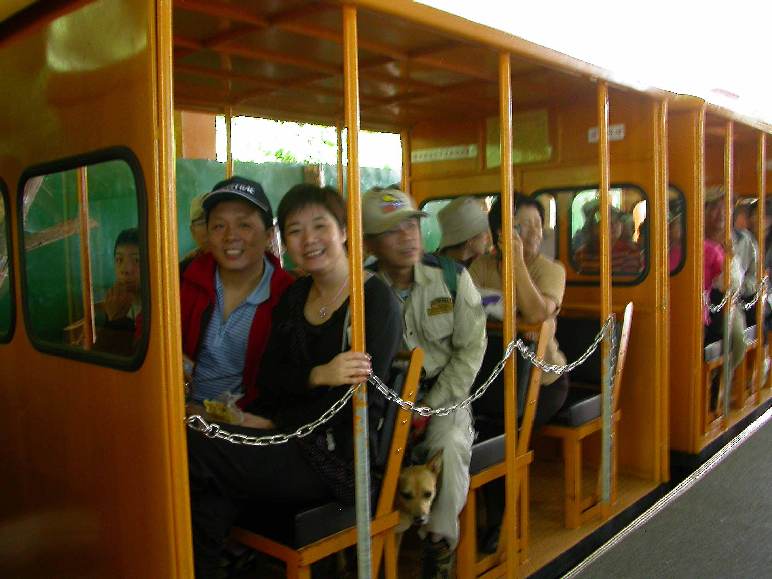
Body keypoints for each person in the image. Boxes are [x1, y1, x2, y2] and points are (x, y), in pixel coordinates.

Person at [187, 184, 402, 578]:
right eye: (295, 231)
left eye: (320, 226)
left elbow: (352, 405)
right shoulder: (295, 294)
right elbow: (270, 378)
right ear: (284, 241)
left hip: (335, 460)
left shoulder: (374, 301)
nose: (309, 240)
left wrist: (277, 423)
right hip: (285, 438)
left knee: (197, 449)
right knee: (208, 482)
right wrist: (318, 374)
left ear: (343, 231)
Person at [362, 187, 486, 578]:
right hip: (382, 399)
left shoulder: (452, 278)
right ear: (370, 243)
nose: (408, 237)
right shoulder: (360, 287)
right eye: (393, 230)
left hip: (443, 393)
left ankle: (438, 546)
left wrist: (431, 404)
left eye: (412, 226)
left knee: (448, 446)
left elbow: (471, 349)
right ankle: (358, 553)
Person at [180, 176, 294, 411]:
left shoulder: (287, 295)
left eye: (244, 225)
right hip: (177, 413)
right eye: (219, 226)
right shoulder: (186, 278)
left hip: (245, 422)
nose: (231, 236)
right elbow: (146, 331)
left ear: (269, 234)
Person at [469, 196, 569, 427]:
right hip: (490, 372)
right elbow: (466, 310)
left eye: (538, 224)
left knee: (509, 428)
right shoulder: (482, 266)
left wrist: (517, 263)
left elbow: (537, 315)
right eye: (524, 225)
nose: (535, 233)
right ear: (501, 233)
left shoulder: (552, 270)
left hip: (542, 380)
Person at [93, 227, 143, 355]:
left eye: (137, 260)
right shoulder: (114, 303)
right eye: (119, 260)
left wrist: (117, 322)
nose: (125, 270)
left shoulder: (158, 308)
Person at [574, 202, 644, 275]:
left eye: (616, 221)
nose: (613, 226)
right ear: (594, 228)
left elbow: (627, 280)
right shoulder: (581, 254)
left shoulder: (631, 252)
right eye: (607, 222)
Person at [436, 196, 491, 267]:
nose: (488, 237)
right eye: (484, 232)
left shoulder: (478, 263)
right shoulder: (437, 268)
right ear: (470, 239)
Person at [180, 191, 208, 275]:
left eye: (218, 223)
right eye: (202, 223)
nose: (208, 228)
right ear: (193, 231)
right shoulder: (183, 271)